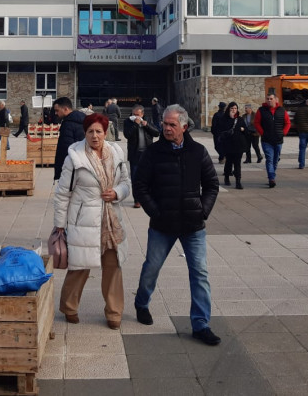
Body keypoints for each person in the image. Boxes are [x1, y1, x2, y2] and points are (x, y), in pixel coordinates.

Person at [133, 104, 221, 346]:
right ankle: (141, 303)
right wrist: (155, 211)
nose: (167, 128)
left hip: (193, 225)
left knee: (200, 273)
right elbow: (140, 185)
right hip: (162, 224)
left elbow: (212, 185)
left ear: (184, 126)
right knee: (152, 267)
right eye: (164, 124)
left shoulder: (198, 151)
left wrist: (203, 210)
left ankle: (201, 324)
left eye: (172, 124)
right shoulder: (154, 152)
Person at [54, 113, 131, 330]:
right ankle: (69, 307)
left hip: (110, 221)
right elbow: (62, 193)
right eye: (90, 131)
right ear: (85, 133)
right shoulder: (74, 157)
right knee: (80, 266)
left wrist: (117, 193)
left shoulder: (116, 152)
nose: (94, 136)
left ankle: (114, 313)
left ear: (105, 133)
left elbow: (126, 182)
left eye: (98, 131)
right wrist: (59, 225)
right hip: (84, 220)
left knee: (113, 265)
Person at [123, 104, 160, 208]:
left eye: (138, 114)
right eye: (134, 114)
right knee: (135, 178)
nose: (136, 116)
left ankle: (148, 198)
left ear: (142, 114)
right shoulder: (128, 122)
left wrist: (146, 125)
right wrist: (135, 124)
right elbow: (127, 135)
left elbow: (156, 133)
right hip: (135, 154)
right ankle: (137, 200)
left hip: (147, 154)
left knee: (149, 177)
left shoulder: (148, 120)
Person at [254, 93, 291, 188]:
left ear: (276, 100)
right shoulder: (261, 110)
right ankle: (271, 178)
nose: (269, 100)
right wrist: (263, 133)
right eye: (267, 99)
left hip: (278, 140)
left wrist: (283, 133)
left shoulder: (282, 110)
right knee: (269, 158)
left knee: (275, 160)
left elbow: (287, 123)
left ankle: (272, 175)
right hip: (266, 140)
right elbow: (257, 123)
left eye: (271, 99)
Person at [53, 97, 86, 181]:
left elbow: (65, 149)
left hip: (70, 168)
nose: (55, 113)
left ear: (65, 109)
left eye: (57, 110)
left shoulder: (68, 124)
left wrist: (60, 170)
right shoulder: (82, 120)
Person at [219, 102, 247, 189]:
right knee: (229, 162)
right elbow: (221, 129)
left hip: (238, 145)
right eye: (232, 108)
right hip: (228, 145)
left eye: (235, 108)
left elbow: (246, 131)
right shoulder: (224, 118)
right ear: (228, 109)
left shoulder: (240, 119)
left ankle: (238, 181)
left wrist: (243, 129)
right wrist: (230, 119)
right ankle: (226, 177)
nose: (233, 110)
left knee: (237, 163)